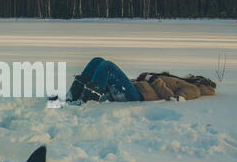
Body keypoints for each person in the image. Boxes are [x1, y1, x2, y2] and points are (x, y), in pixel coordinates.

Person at [60, 57, 216, 103]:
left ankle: (88, 101)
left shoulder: (193, 89)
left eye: (195, 77)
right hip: (137, 88)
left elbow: (172, 98)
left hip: (139, 96)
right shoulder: (177, 79)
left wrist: (154, 79)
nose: (192, 75)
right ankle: (72, 96)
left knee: (107, 66)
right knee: (97, 61)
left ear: (200, 81)